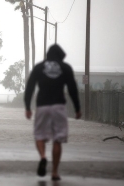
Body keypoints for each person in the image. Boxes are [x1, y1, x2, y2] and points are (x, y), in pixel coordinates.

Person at [24, 44, 81, 181]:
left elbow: (30, 87)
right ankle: (54, 172)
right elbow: (72, 88)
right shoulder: (65, 68)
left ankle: (43, 157)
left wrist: (27, 107)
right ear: (61, 55)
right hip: (59, 106)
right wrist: (77, 108)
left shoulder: (39, 67)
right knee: (58, 139)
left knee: (39, 135)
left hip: (42, 105)